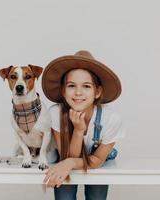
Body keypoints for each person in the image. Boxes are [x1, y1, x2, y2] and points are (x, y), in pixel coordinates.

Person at [41, 50, 125, 200]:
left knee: (97, 193)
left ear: (97, 91)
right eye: (72, 85)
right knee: (64, 189)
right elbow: (66, 156)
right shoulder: (55, 113)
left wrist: (71, 162)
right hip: (67, 158)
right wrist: (79, 130)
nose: (78, 92)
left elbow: (97, 160)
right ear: (63, 90)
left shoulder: (111, 118)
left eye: (86, 86)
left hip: (95, 161)